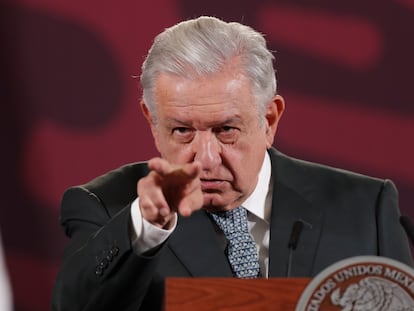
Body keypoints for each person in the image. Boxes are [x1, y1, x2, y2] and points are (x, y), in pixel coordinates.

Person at [51, 16, 412, 311]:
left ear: (269, 120)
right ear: (152, 122)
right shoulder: (107, 208)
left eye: (226, 130)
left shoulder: (366, 208)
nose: (205, 158)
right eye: (181, 131)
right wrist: (147, 228)